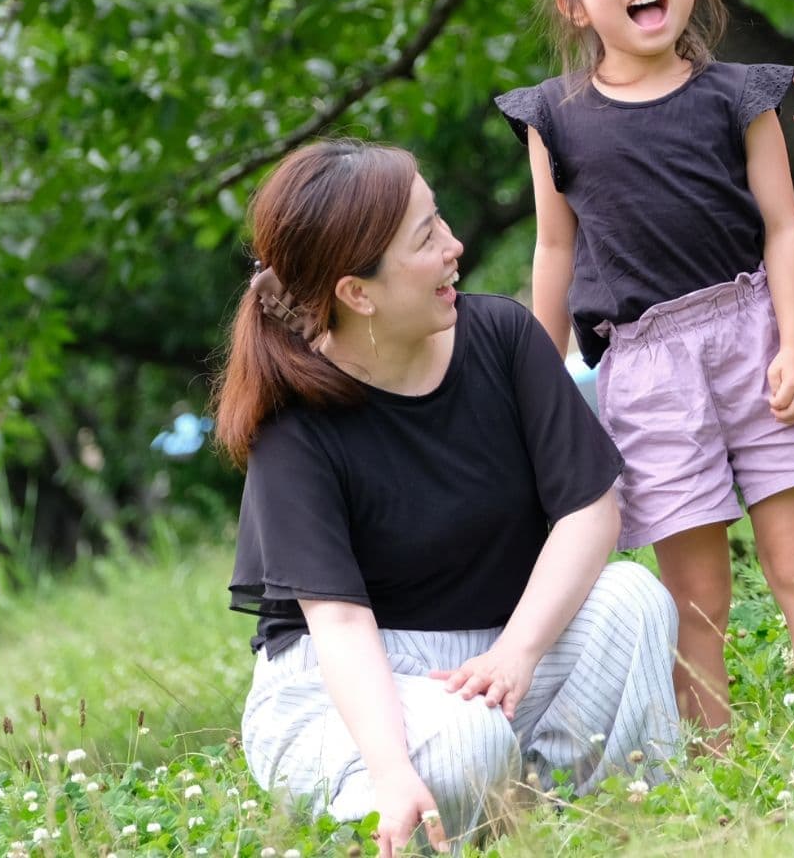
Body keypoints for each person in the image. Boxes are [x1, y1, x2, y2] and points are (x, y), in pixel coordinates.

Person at [216, 140, 679, 858]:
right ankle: (402, 816)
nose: (455, 247)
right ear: (357, 293)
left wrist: (520, 650)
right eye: (426, 238)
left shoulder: (500, 336)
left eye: (440, 221)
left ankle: (580, 820)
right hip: (351, 687)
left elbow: (591, 511)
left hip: (496, 656)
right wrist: (392, 769)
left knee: (632, 600)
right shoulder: (294, 426)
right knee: (465, 741)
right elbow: (338, 626)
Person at [495, 0, 794, 735]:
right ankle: (715, 763)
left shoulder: (737, 94)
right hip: (644, 364)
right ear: (574, 3)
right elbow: (554, 252)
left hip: (753, 333)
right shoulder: (554, 118)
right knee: (695, 594)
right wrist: (538, 382)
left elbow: (784, 230)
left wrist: (789, 344)